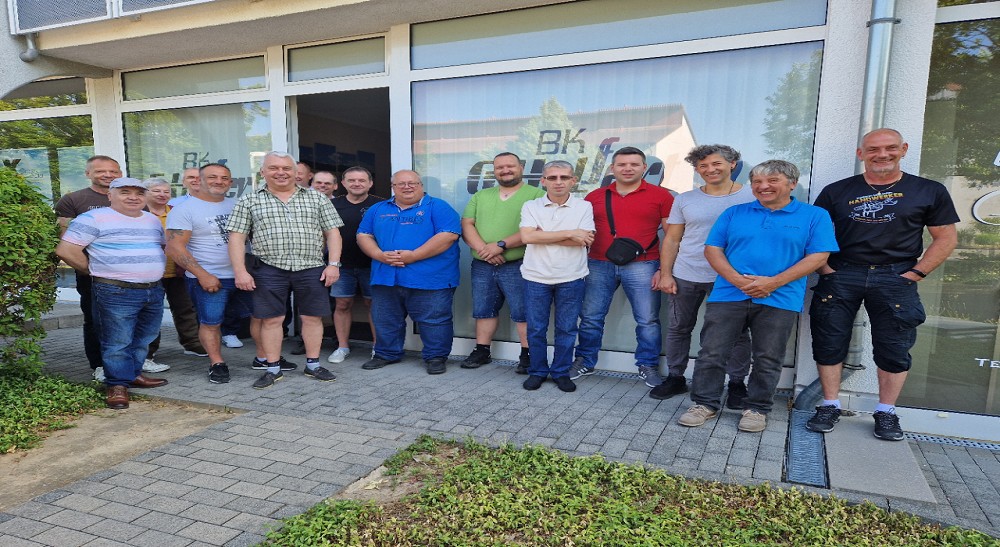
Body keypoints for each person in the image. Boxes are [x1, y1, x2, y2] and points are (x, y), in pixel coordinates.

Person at [806, 128, 959, 441]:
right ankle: (830, 404)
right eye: (873, 149)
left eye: (890, 148)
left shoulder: (929, 190)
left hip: (896, 275)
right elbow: (814, 232)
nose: (882, 154)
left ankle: (886, 411)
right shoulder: (837, 191)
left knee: (894, 346)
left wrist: (916, 273)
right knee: (828, 340)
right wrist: (825, 268)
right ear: (861, 153)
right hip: (841, 273)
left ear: (903, 149)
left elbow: (945, 237)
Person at [678, 160, 837, 433]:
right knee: (712, 352)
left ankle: (757, 409)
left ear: (792, 184)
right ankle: (704, 403)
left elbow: (819, 256)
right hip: (729, 294)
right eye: (757, 182)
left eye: (772, 180)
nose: (763, 186)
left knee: (768, 357)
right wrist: (738, 281)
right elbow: (713, 250)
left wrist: (773, 282)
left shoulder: (814, 216)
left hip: (781, 297)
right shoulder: (734, 213)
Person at [227, 152, 344, 389]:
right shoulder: (249, 200)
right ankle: (272, 368)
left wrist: (333, 264)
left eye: (286, 168)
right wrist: (240, 271)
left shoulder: (317, 198)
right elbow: (237, 238)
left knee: (312, 317)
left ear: (296, 173)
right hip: (268, 268)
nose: (281, 172)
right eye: (274, 168)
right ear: (263, 172)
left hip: (311, 267)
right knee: (272, 319)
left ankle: (313, 365)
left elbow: (333, 233)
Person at [651, 145, 755, 406]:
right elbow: (672, 239)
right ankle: (676, 377)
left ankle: (737, 383)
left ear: (732, 164)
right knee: (679, 327)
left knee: (737, 332)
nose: (710, 169)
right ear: (697, 170)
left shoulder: (751, 196)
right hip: (687, 272)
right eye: (703, 166)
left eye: (716, 163)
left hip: (731, 277)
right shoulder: (685, 199)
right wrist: (666, 274)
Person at [56, 177, 170, 409]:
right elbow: (66, 250)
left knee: (144, 338)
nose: (133, 197)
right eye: (125, 192)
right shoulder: (92, 218)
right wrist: (94, 270)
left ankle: (132, 375)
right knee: (117, 341)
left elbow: (158, 247)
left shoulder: (151, 219)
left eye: (139, 193)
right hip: (115, 290)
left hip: (152, 289)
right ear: (110, 195)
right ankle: (116, 385)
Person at [573, 146, 674, 387]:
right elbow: (582, 232)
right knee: (590, 317)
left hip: (644, 264)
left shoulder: (662, 196)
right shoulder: (594, 197)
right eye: (622, 164)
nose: (628, 168)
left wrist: (664, 270)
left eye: (634, 164)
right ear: (612, 168)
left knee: (647, 320)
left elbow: (672, 236)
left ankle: (647, 365)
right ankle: (585, 360)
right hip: (598, 263)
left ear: (644, 168)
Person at [356, 169, 461, 375]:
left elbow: (448, 236)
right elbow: (363, 235)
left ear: (421, 186)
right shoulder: (378, 209)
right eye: (401, 184)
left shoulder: (438, 207)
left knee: (434, 320)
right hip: (386, 276)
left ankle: (436, 357)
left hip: (430, 278)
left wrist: (414, 255)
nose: (407, 187)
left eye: (412, 183)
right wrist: (378, 255)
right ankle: (386, 354)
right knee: (385, 318)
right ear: (393, 187)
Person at [166, 164, 257, 384]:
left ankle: (264, 358)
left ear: (231, 182)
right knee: (211, 322)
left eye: (224, 178)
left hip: (244, 274)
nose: (219, 181)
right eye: (212, 177)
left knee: (261, 317)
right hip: (209, 277)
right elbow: (175, 247)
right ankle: (217, 363)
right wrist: (202, 275)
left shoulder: (238, 204)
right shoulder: (184, 209)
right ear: (199, 180)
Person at [461, 152, 546, 373]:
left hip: (520, 264)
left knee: (523, 311)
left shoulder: (537, 195)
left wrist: (501, 245)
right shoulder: (481, 195)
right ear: (494, 171)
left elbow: (537, 228)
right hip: (483, 264)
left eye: (510, 166)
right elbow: (467, 224)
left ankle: (528, 355)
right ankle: (482, 350)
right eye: (499, 167)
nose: (505, 170)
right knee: (483, 309)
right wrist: (485, 250)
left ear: (521, 168)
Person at [519, 161, 595, 392]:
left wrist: (544, 236)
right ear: (543, 181)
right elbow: (527, 238)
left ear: (573, 180)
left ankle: (561, 372)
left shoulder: (584, 206)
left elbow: (585, 241)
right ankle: (537, 371)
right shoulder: (531, 205)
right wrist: (571, 233)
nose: (558, 182)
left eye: (564, 177)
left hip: (572, 276)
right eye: (552, 178)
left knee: (567, 328)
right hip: (535, 276)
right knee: (536, 328)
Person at [54, 155, 119, 381]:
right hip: (92, 274)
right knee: (95, 319)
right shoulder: (73, 200)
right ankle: (99, 364)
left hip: (128, 273)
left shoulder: (129, 197)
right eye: (101, 171)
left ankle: (133, 360)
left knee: (130, 318)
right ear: (88, 173)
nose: (108, 175)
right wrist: (90, 270)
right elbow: (65, 240)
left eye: (113, 171)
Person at [144, 178, 207, 366]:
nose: (162, 194)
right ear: (145, 192)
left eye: (166, 191)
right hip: (150, 273)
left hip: (178, 270)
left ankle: (192, 344)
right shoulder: (139, 214)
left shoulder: (176, 211)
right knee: (151, 313)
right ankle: (148, 351)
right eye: (157, 191)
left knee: (185, 309)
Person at [327, 167, 382, 364]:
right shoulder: (332, 205)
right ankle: (342, 347)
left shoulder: (380, 205)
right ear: (343, 183)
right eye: (351, 180)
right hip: (342, 265)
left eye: (361, 180)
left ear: (370, 183)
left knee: (374, 305)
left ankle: (378, 347)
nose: (356, 184)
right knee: (342, 304)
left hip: (373, 264)